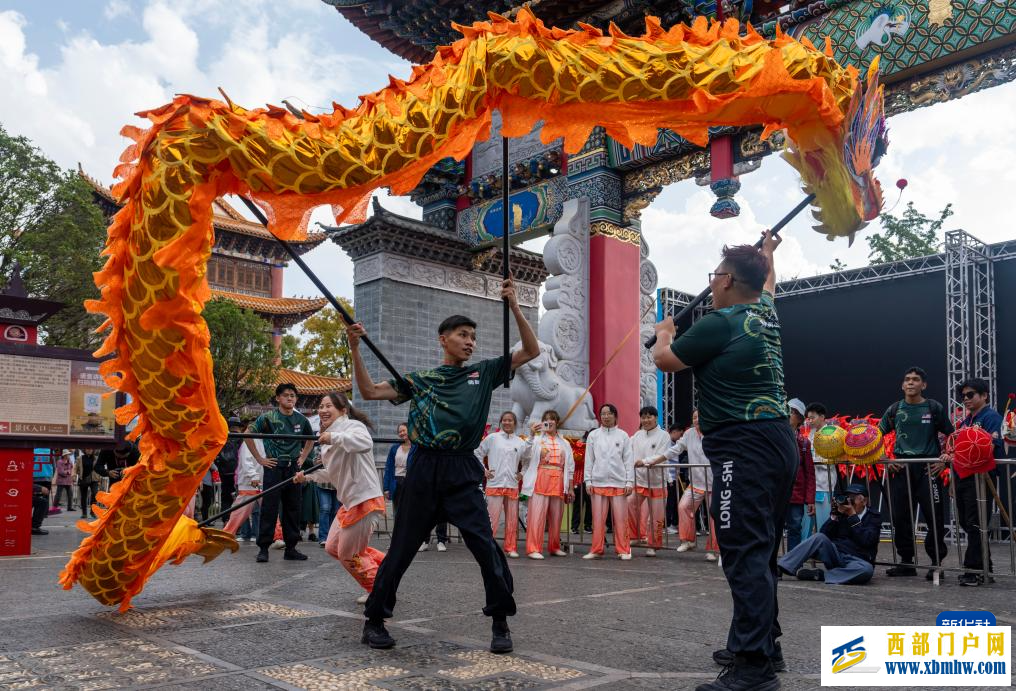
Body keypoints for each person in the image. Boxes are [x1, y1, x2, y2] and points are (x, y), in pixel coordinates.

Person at [349, 275, 539, 654]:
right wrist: (354, 348)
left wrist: (515, 305)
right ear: (443, 338)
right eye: (463, 334)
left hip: (461, 469)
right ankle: (374, 620)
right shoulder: (420, 381)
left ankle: (500, 622)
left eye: (473, 336)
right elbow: (369, 392)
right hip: (423, 468)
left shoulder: (483, 373)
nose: (470, 341)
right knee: (402, 547)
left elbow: (529, 351)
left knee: (486, 547)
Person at [652, 231, 796, 690]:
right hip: (775, 440)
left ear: (728, 280)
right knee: (761, 548)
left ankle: (753, 666)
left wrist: (664, 332)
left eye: (715, 275)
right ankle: (761, 644)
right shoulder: (764, 313)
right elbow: (769, 284)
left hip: (742, 445)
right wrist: (769, 254)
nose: (711, 282)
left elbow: (666, 362)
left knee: (743, 551)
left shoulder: (721, 322)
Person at [296, 392, 386, 605]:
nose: (323, 410)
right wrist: (307, 477)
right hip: (349, 502)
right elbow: (331, 473)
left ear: (343, 410)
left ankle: (378, 589)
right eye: (321, 406)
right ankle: (386, 565)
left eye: (329, 406)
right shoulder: (327, 438)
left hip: (364, 499)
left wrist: (333, 437)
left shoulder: (353, 427)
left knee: (348, 555)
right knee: (332, 547)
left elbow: (365, 443)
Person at [878, 366, 953, 579]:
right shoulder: (894, 409)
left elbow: (953, 436)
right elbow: (874, 435)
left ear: (924, 385)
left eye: (916, 379)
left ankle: (936, 563)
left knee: (934, 518)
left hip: (928, 470)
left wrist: (945, 460)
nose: (911, 382)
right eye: (907, 379)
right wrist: (885, 458)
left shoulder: (933, 407)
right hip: (901, 469)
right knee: (900, 517)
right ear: (902, 385)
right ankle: (906, 562)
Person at [941, 378, 1005, 586]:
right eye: (963, 396)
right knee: (968, 523)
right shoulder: (965, 421)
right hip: (962, 478)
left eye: (971, 395)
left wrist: (957, 455)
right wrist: (950, 462)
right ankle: (986, 567)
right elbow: (955, 449)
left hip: (981, 478)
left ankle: (974, 569)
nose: (966, 399)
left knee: (977, 523)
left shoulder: (992, 418)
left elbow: (991, 446)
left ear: (984, 395)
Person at [245, 383, 315, 564]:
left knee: (293, 508)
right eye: (286, 395)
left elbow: (311, 440)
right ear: (278, 398)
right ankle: (263, 548)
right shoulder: (267, 418)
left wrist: (303, 457)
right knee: (269, 507)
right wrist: (260, 459)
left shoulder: (301, 420)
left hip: (293, 468)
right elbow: (247, 434)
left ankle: (291, 548)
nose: (290, 398)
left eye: (293, 395)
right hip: (273, 467)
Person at [778, 484, 879, 584]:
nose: (850, 501)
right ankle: (781, 567)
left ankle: (821, 575)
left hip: (858, 561)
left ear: (864, 501)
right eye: (848, 497)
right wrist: (834, 517)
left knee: (866, 570)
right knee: (818, 537)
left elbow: (867, 541)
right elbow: (823, 535)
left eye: (853, 498)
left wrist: (852, 516)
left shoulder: (873, 517)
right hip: (837, 555)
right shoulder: (842, 513)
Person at [654, 411, 718, 560]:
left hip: (715, 483)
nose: (697, 420)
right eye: (694, 417)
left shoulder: (716, 431)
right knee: (683, 506)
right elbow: (676, 449)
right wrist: (658, 459)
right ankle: (688, 540)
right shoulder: (689, 433)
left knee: (714, 517)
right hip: (696, 483)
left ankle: (713, 549)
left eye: (700, 417)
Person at [475, 411, 530, 558]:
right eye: (504, 420)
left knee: (512, 519)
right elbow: (477, 452)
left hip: (512, 484)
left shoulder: (520, 442)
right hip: (495, 483)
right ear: (501, 422)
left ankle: (510, 547)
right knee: (492, 518)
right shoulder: (492, 438)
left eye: (510, 420)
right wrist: (484, 470)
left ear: (515, 423)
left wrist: (521, 474)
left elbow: (527, 460)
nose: (507, 423)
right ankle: (488, 547)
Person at [584, 403, 634, 561]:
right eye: (603, 414)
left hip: (619, 483)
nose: (605, 417)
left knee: (620, 519)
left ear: (615, 416)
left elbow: (628, 460)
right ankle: (596, 549)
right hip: (598, 482)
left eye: (609, 413)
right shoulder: (594, 436)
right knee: (597, 519)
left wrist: (629, 482)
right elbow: (589, 460)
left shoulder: (623, 435)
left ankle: (624, 549)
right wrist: (588, 480)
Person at [521, 410, 574, 559]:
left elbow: (570, 466)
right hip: (540, 478)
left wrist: (570, 487)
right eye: (546, 419)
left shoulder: (565, 443)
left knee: (557, 516)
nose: (549, 422)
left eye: (552, 419)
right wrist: (531, 435)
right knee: (537, 515)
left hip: (558, 479)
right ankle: (533, 548)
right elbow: (524, 455)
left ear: (557, 423)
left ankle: (554, 546)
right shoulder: (536, 440)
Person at [628, 406, 671, 557]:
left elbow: (662, 455)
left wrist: (645, 461)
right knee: (629, 505)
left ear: (656, 418)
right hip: (639, 481)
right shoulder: (637, 435)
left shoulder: (664, 436)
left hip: (657, 482)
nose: (645, 420)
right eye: (643, 417)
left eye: (649, 417)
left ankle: (653, 545)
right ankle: (635, 536)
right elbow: (628, 451)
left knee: (656, 517)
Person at [785, 399, 815, 552]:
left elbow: (810, 472)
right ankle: (770, 565)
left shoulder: (804, 443)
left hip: (796, 495)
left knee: (795, 528)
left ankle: (792, 563)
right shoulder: (774, 438)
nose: (789, 414)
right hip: (776, 493)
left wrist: (810, 499)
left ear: (799, 419)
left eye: (793, 412)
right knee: (772, 528)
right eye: (788, 410)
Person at [803, 403, 836, 537]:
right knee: (806, 524)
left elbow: (831, 459)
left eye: (812, 418)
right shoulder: (811, 433)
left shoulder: (832, 433)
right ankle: (804, 552)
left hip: (824, 484)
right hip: (811, 485)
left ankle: (823, 553)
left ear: (822, 417)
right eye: (808, 418)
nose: (809, 421)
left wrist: (811, 462)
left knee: (823, 524)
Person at [224, 437, 264, 539]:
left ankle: (278, 536)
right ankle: (227, 534)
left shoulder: (262, 440)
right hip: (251, 482)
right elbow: (246, 460)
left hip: (258, 482)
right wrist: (253, 476)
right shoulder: (251, 441)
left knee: (269, 509)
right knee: (239, 512)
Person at [215, 417, 243, 526]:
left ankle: (226, 519)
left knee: (225, 496)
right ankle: (236, 523)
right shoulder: (241, 439)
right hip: (237, 472)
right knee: (239, 498)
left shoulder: (223, 437)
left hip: (224, 471)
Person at [383, 423, 413, 515]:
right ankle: (397, 529)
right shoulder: (394, 448)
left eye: (404, 430)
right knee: (397, 511)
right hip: (396, 482)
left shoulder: (416, 448)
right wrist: (386, 488)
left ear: (410, 430)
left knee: (410, 511)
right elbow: (389, 468)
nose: (401, 433)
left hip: (410, 483)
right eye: (399, 432)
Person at [570, 429, 593, 535]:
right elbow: (576, 461)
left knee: (590, 504)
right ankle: (574, 527)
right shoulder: (579, 446)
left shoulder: (596, 447)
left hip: (592, 480)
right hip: (579, 479)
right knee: (578, 504)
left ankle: (588, 526)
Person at [665, 422, 686, 535]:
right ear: (674, 432)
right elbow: (666, 460)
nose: (681, 437)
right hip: (670, 478)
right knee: (670, 502)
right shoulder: (667, 442)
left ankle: (672, 524)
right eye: (680, 434)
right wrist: (669, 478)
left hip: (675, 477)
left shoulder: (675, 443)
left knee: (674, 501)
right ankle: (667, 525)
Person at [74, 449, 100, 519]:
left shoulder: (96, 458)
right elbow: (75, 468)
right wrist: (74, 476)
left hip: (94, 479)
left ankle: (93, 512)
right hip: (83, 479)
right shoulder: (80, 458)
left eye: (90, 449)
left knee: (95, 494)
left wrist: (101, 476)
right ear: (84, 450)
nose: (89, 450)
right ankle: (84, 513)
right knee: (83, 497)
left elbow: (99, 468)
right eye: (87, 449)